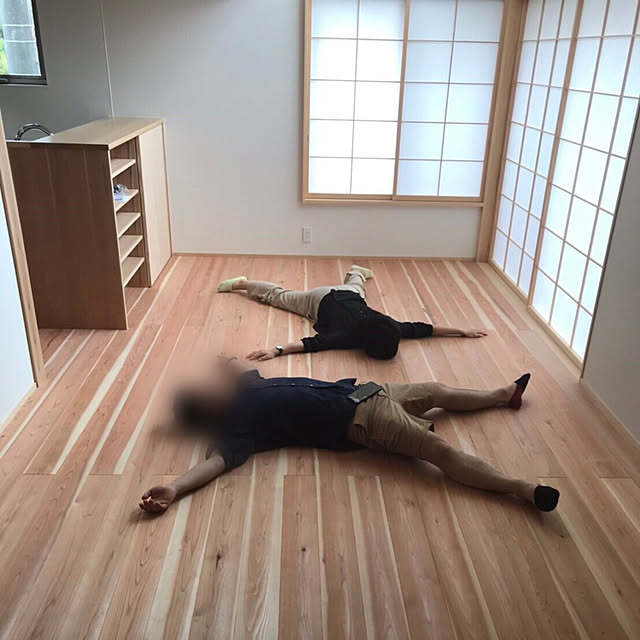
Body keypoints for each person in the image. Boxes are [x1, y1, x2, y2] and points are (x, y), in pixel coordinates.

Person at [139, 354, 559, 514]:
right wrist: (174, 488)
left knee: (437, 391)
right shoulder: (238, 428)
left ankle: (502, 395)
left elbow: (239, 369)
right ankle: (521, 488)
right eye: (206, 394)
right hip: (363, 421)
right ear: (207, 413)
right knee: (439, 451)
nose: (213, 389)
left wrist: (226, 360)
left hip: (364, 391)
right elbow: (215, 464)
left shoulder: (244, 388)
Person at [216, 266, 487, 361]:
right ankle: (243, 284)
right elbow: (309, 344)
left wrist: (462, 331)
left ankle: (356, 270)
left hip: (349, 294)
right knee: (279, 297)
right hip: (318, 300)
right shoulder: (347, 336)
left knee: (358, 286)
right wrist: (275, 351)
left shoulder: (391, 326)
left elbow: (426, 329)